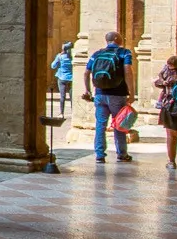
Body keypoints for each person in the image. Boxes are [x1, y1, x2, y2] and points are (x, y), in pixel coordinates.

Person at [82, 30, 135, 163]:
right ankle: (122, 153)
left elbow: (86, 73)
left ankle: (99, 154)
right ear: (117, 38)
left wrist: (88, 91)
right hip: (118, 94)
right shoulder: (124, 53)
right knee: (119, 124)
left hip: (100, 94)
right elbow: (128, 70)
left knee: (100, 124)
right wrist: (132, 92)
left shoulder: (97, 53)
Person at [50, 42, 75, 110]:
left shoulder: (60, 56)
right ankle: (73, 111)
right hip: (71, 78)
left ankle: (61, 112)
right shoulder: (73, 57)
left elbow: (53, 66)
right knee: (72, 96)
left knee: (62, 96)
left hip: (62, 77)